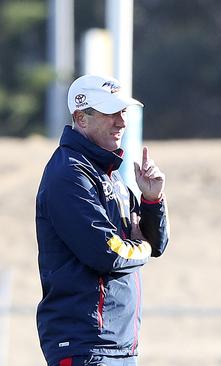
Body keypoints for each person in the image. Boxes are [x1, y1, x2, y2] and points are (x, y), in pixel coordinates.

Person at [35, 74, 170, 366]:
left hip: (118, 345)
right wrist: (141, 247)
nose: (122, 122)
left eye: (123, 112)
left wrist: (152, 200)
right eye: (112, 113)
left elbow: (157, 244)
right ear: (81, 118)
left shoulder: (109, 173)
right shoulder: (69, 174)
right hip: (85, 345)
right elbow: (107, 252)